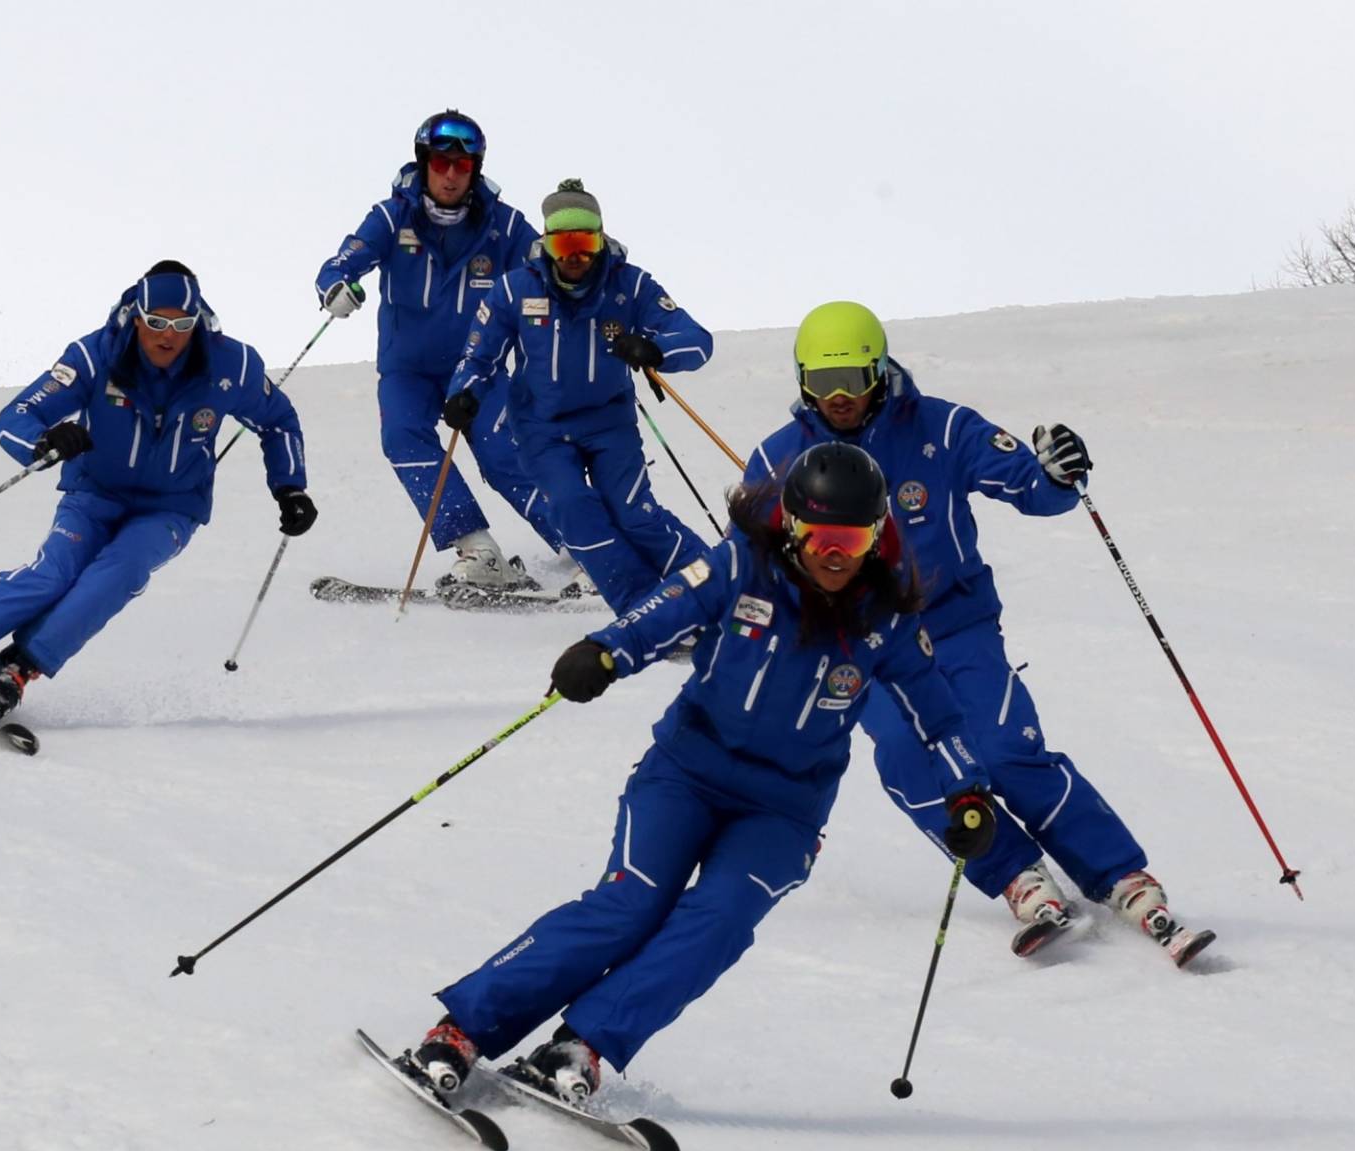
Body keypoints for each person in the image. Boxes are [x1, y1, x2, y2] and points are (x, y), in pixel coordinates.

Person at [404, 444, 998, 1100]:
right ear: (795, 528)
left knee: (718, 920)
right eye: (824, 537)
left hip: (784, 810)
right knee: (630, 904)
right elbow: (663, 613)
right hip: (687, 770)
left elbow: (938, 717)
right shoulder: (743, 567)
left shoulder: (885, 616)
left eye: (855, 539)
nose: (838, 555)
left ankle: (583, 1044)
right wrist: (604, 652)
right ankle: (462, 1028)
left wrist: (967, 791)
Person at [744, 301, 1214, 966]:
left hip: (955, 623)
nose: (839, 397)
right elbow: (751, 559)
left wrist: (1055, 472)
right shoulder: (779, 456)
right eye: (823, 383)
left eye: (852, 376)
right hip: (864, 642)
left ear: (880, 368)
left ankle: (1122, 876)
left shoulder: (940, 426)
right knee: (907, 759)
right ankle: (1018, 876)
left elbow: (1032, 487)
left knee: (1002, 749)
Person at [0, 261, 315, 721]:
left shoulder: (232, 365)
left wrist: (290, 486)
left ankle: (14, 672)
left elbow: (279, 422)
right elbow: (16, 417)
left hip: (171, 507)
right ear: (137, 316)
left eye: (182, 323)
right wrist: (44, 440)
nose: (168, 335)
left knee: (120, 570)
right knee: (51, 575)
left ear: (199, 321)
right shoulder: (95, 356)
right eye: (155, 322)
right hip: (94, 495)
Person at [313, 109, 567, 591]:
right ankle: (477, 549)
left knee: (503, 453)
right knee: (404, 437)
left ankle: (584, 546)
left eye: (463, 166)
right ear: (424, 163)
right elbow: (342, 261)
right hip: (408, 369)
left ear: (476, 170)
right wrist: (336, 286)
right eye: (441, 163)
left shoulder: (503, 226)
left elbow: (549, 271)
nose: (451, 175)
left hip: (479, 368)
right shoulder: (392, 216)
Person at [443, 179, 712, 613]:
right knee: (574, 507)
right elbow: (477, 356)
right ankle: (647, 605)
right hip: (542, 428)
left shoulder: (629, 285)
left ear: (602, 239)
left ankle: (716, 584)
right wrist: (463, 394)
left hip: (609, 424)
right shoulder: (516, 289)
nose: (576, 257)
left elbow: (698, 341)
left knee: (636, 514)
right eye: (564, 243)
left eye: (586, 243)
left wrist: (656, 349)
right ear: (546, 243)